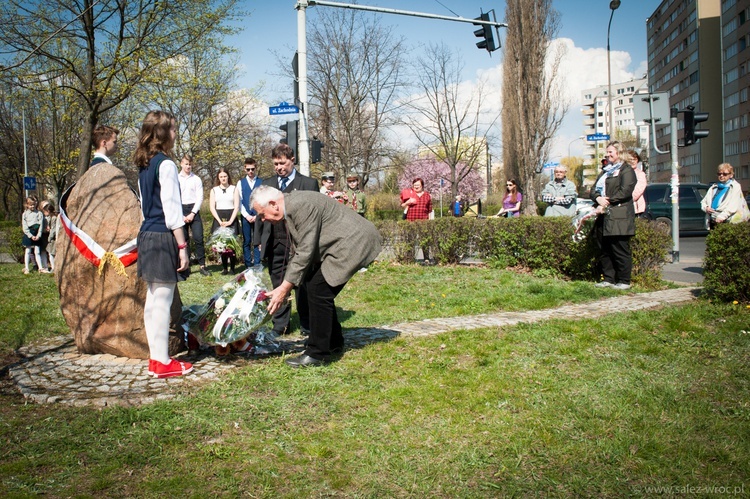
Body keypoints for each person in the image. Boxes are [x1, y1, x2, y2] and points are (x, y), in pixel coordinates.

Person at [251, 185, 382, 367]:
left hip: (355, 242)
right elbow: (300, 251)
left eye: (262, 214)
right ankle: (332, 342)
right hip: (339, 244)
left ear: (273, 204)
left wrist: (285, 288)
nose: (263, 219)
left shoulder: (300, 205)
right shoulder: (291, 206)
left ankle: (318, 353)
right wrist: (288, 283)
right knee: (312, 286)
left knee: (318, 290)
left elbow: (306, 250)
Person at [134, 110, 193, 379]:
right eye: (171, 129)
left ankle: (156, 360)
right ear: (161, 133)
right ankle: (162, 362)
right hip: (161, 235)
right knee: (162, 301)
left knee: (153, 300)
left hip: (146, 234)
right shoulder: (166, 165)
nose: (175, 133)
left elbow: (146, 208)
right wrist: (182, 247)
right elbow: (172, 212)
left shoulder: (144, 165)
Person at [255, 143, 319, 336]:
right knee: (277, 280)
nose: (279, 168)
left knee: (302, 282)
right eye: (275, 164)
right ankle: (280, 324)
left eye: (282, 163)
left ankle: (307, 324)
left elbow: (314, 214)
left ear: (292, 160)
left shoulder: (308, 184)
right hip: (275, 241)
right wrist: (258, 240)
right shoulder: (266, 184)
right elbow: (260, 214)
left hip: (298, 242)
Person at [590, 141, 637, 290]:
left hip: (619, 216)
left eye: (611, 152)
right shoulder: (605, 171)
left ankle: (624, 280)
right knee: (605, 248)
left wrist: (607, 201)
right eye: (607, 152)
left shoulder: (626, 170)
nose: (608, 155)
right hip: (603, 215)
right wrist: (598, 199)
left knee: (619, 248)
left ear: (619, 153)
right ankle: (608, 279)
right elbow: (593, 190)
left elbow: (625, 191)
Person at [178, 154, 210, 276]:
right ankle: (186, 266)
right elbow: (174, 197)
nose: (188, 166)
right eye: (186, 164)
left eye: (190, 164)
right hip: (181, 209)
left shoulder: (196, 179)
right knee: (184, 240)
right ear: (181, 164)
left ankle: (202, 266)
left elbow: (200, 197)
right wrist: (181, 215)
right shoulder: (176, 178)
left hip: (194, 210)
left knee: (198, 238)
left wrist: (192, 213)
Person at [209, 167, 240, 275]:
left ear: (228, 177)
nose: (223, 178)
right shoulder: (214, 190)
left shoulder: (234, 189)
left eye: (225, 176)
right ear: (218, 177)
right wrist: (219, 221)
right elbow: (212, 207)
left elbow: (236, 206)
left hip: (231, 217)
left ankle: (232, 268)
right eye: (221, 177)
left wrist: (231, 221)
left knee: (231, 244)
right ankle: (224, 268)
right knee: (221, 244)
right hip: (219, 218)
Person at [701, 163, 746, 228]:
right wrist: (706, 208)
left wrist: (722, 216)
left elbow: (733, 205)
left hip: (727, 220)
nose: (721, 176)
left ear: (731, 175)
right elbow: (703, 202)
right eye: (719, 174)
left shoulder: (735, 186)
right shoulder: (714, 186)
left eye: (725, 174)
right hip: (712, 219)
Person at [238, 158, 262, 269]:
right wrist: (246, 215)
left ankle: (257, 263)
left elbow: (263, 200)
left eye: (252, 169)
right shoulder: (240, 183)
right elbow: (239, 201)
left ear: (255, 168)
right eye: (248, 169)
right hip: (245, 216)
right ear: (245, 169)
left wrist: (257, 215)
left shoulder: (261, 182)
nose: (250, 171)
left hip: (258, 215)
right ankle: (248, 264)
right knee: (247, 241)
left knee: (257, 240)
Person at [21, 195, 49, 274]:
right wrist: (30, 235)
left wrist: (38, 235)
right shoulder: (25, 214)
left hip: (37, 233)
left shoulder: (39, 213)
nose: (32, 206)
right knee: (28, 251)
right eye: (30, 205)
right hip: (29, 233)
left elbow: (40, 225)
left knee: (37, 251)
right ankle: (26, 268)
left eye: (34, 204)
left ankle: (40, 268)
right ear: (27, 205)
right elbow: (25, 226)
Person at [627, 150, 648, 218]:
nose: (632, 161)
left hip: (636, 209)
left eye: (635, 159)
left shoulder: (640, 174)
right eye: (630, 159)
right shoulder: (623, 173)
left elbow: (638, 191)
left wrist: (625, 200)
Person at [40, 200, 59, 272]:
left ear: (48, 211)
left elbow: (53, 229)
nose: (44, 213)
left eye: (45, 211)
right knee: (51, 253)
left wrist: (49, 237)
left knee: (51, 254)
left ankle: (54, 267)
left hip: (52, 239)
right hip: (52, 238)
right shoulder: (52, 217)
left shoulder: (53, 218)